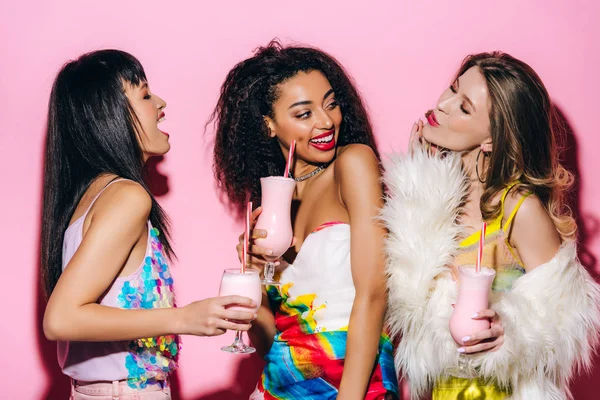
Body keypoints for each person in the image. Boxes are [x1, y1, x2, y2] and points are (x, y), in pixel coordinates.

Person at [381, 51, 600, 399]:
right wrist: (416, 191)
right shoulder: (435, 202)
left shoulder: (519, 209)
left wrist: (509, 330)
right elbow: (409, 307)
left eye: (465, 107)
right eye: (452, 89)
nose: (443, 105)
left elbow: (563, 315)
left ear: (492, 139)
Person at [41, 49, 256, 399]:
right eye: (143, 94)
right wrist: (183, 319)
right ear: (109, 116)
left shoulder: (94, 195)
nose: (160, 103)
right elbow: (61, 319)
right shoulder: (127, 197)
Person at [208, 40, 398, 399]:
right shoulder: (275, 203)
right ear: (268, 124)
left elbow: (374, 295)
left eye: (331, 104)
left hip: (356, 386)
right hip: (280, 385)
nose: (327, 121)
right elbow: (272, 341)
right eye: (304, 113)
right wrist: (252, 273)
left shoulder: (353, 163)